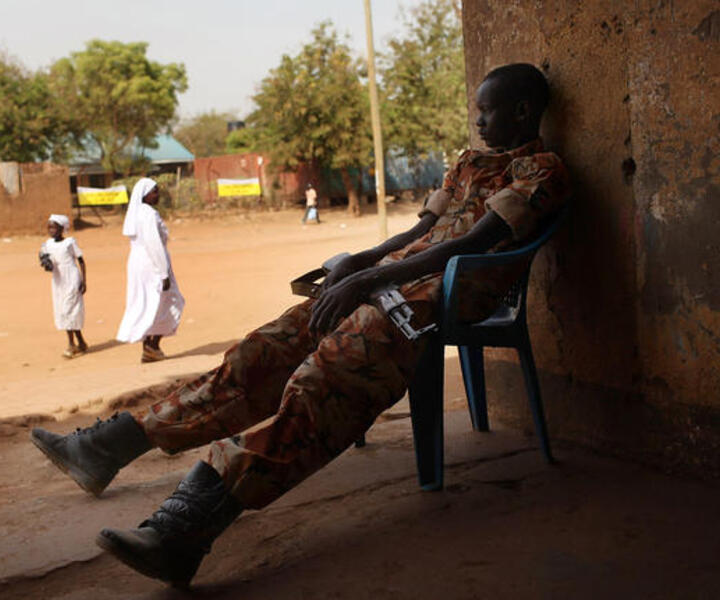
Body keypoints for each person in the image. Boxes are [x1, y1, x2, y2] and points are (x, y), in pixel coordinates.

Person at [30, 63, 569, 587]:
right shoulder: (469, 163)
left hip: (433, 302)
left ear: (523, 112)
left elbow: (469, 247)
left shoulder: (542, 172)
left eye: (487, 111)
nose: (477, 121)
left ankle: (183, 530)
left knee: (320, 385)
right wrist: (361, 263)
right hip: (388, 283)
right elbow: (421, 229)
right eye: (477, 111)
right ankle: (111, 446)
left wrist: (367, 283)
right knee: (259, 352)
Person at [115, 178, 185, 363]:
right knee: (171, 300)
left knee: (148, 302)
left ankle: (149, 348)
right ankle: (152, 346)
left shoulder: (138, 213)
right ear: (144, 194)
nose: (157, 195)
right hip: (152, 262)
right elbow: (154, 245)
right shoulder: (148, 214)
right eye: (154, 191)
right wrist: (163, 273)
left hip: (138, 263)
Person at [39, 214, 87, 358]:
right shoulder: (47, 244)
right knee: (63, 310)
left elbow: (81, 261)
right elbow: (44, 257)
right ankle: (81, 342)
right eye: (49, 227)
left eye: (54, 227)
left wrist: (84, 281)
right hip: (58, 280)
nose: (51, 230)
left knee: (68, 310)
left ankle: (71, 345)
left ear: (62, 228)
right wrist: (44, 261)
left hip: (71, 277)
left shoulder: (70, 243)